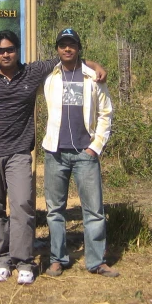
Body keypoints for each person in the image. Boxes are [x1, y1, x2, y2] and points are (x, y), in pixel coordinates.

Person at [0, 30, 105, 285]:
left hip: (20, 152)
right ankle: (1, 260)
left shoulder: (32, 72)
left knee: (23, 204)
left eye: (10, 49)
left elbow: (68, 58)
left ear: (17, 50)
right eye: (0, 50)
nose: (6, 54)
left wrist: (95, 64)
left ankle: (23, 260)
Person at [42, 28, 118, 278]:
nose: (67, 49)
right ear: (57, 49)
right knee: (55, 210)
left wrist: (95, 146)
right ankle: (57, 259)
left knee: (94, 209)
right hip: (55, 152)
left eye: (71, 44)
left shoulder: (92, 77)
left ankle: (96, 260)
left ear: (78, 48)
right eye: (62, 45)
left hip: (85, 154)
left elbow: (106, 112)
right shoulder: (50, 76)